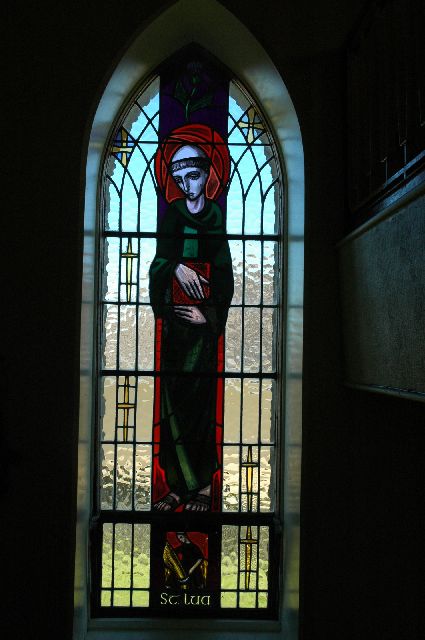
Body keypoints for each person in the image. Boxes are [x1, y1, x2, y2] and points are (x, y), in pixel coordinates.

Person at [150, 125, 233, 512]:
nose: (187, 185)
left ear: (209, 174)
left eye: (194, 176)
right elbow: (158, 264)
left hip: (203, 332)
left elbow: (224, 271)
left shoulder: (215, 216)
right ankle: (175, 487)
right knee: (172, 406)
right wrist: (175, 268)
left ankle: (200, 489)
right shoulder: (172, 216)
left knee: (200, 408)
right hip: (176, 328)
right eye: (179, 179)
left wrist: (209, 314)